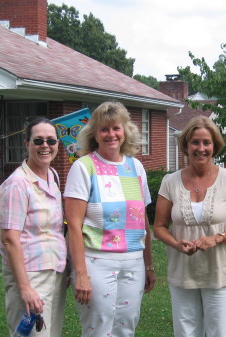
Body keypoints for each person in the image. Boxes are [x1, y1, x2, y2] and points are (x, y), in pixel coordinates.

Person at [64, 101, 156, 337]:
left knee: (126, 327)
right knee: (98, 329)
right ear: (94, 133)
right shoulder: (83, 168)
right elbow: (73, 226)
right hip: (96, 261)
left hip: (133, 261)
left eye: (116, 128)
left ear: (125, 131)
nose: (111, 134)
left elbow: (142, 220)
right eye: (104, 129)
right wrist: (81, 274)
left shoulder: (136, 167)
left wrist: (148, 265)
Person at [153, 116, 226, 337]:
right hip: (183, 272)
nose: (201, 148)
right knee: (185, 332)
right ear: (186, 146)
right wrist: (176, 244)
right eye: (195, 142)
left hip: (221, 272)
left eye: (206, 142)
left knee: (220, 332)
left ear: (214, 146)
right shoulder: (170, 181)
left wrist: (218, 238)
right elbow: (158, 226)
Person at [0, 118, 67, 337]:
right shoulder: (18, 184)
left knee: (50, 333)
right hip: (29, 274)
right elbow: (9, 239)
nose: (45, 146)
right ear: (27, 144)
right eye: (38, 141)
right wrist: (25, 288)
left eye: (51, 140)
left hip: (55, 271)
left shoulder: (52, 176)